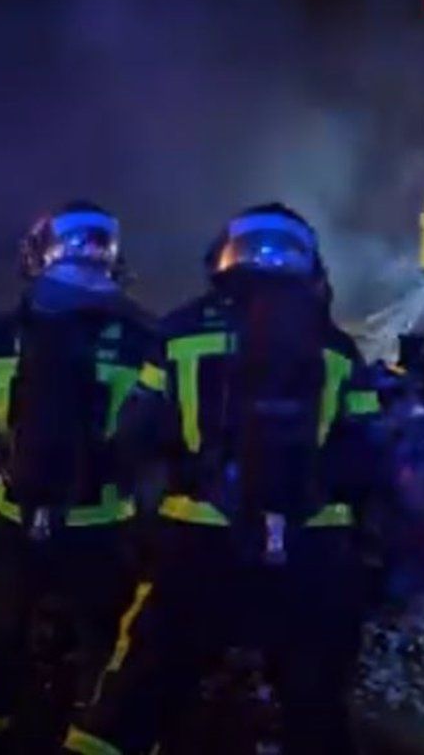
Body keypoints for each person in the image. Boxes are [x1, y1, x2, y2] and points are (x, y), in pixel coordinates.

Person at [64, 204, 387, 755]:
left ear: (221, 257)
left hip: (196, 543)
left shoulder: (180, 331)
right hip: (312, 552)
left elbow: (135, 436)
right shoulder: (337, 347)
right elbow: (365, 455)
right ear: (309, 263)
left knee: (136, 691)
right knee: (315, 707)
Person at [0, 201, 158, 754]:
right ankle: (94, 739)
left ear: (44, 250)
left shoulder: (3, 330)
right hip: (104, 521)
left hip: (14, 514)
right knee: (104, 641)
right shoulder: (143, 333)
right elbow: (160, 428)